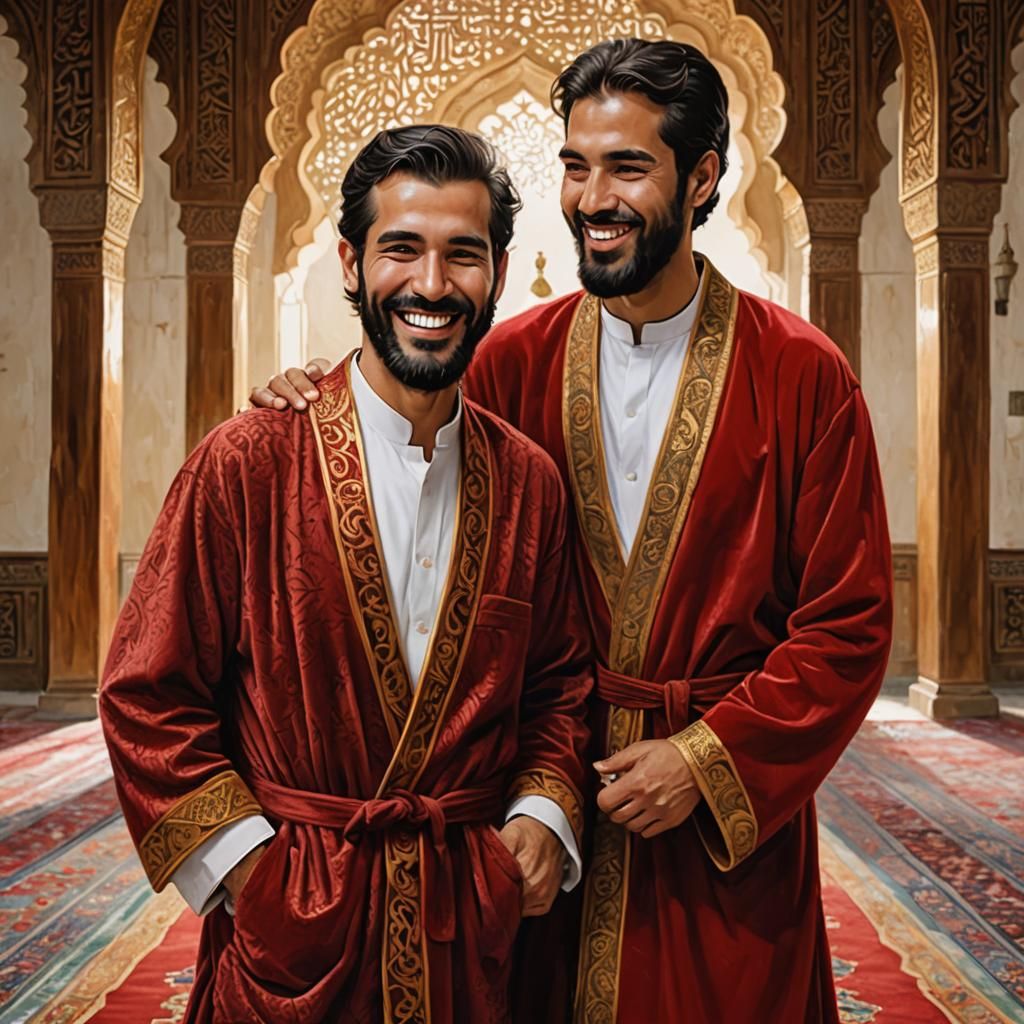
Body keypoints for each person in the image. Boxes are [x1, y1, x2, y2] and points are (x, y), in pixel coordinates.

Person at [257, 39, 893, 1024]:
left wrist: (706, 760)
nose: (593, 199)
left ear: (702, 179)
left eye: (627, 168)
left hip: (721, 850)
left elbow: (848, 624)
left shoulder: (803, 375)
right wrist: (310, 394)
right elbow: (400, 429)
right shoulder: (509, 360)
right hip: (539, 816)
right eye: (575, 165)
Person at [100, 125, 593, 1024]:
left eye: (462, 254)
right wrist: (252, 874)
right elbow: (145, 693)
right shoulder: (247, 463)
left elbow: (558, 688)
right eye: (401, 248)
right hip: (291, 947)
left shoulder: (529, 483)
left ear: (498, 272)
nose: (432, 285)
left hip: (468, 941)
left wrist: (541, 815)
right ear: (351, 265)